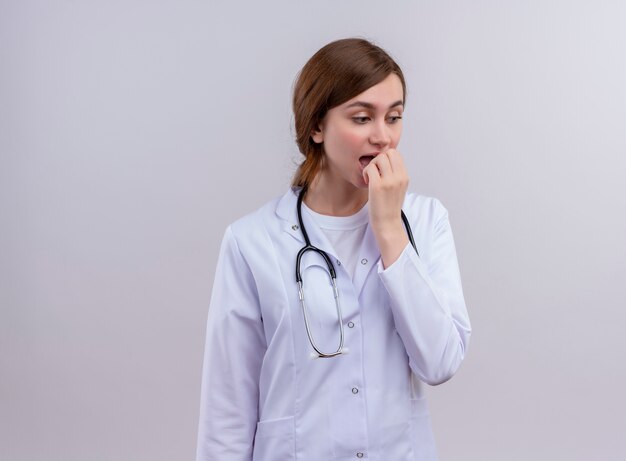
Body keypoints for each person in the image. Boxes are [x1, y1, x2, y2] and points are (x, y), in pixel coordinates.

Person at [196, 37, 471, 461]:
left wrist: (388, 229)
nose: (384, 137)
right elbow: (227, 410)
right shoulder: (252, 242)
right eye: (362, 117)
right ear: (316, 126)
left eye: (394, 117)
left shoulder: (425, 221)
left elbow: (439, 362)